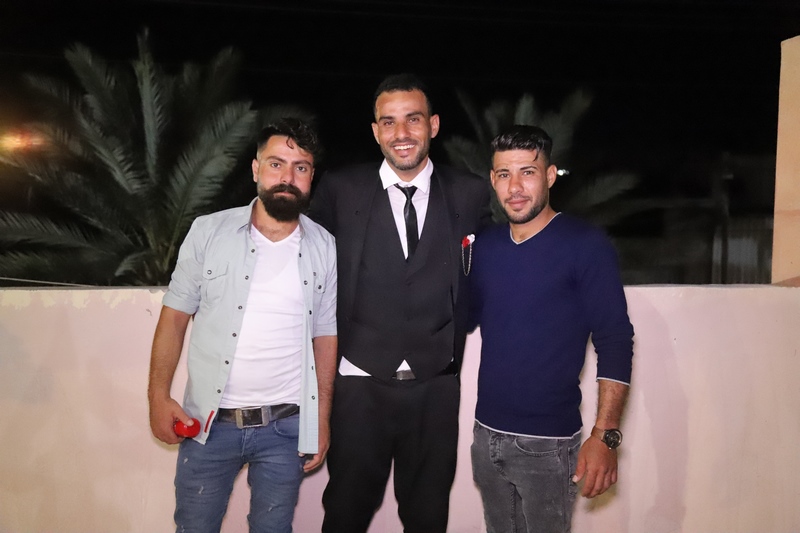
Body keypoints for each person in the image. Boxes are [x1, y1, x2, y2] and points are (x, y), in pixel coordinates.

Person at [308, 73, 492, 532]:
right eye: (388, 122)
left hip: (436, 386)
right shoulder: (340, 189)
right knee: (345, 514)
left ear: (433, 125)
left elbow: (495, 266)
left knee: (428, 517)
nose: (401, 133)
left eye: (413, 119)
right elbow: (303, 262)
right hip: (358, 385)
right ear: (375, 131)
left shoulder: (469, 192)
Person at [147, 118, 338, 533]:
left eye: (301, 167)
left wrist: (321, 419)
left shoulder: (324, 246)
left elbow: (325, 336)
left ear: (311, 177)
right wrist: (158, 397)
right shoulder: (208, 232)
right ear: (255, 169)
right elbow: (174, 317)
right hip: (209, 427)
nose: (287, 177)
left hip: (286, 429)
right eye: (276, 164)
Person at [468, 125, 635, 533]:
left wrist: (605, 436)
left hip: (548, 446)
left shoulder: (585, 245)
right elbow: (462, 317)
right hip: (485, 436)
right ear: (493, 180)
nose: (515, 187)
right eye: (504, 174)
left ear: (549, 175)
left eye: (527, 172)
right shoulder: (484, 247)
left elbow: (615, 339)